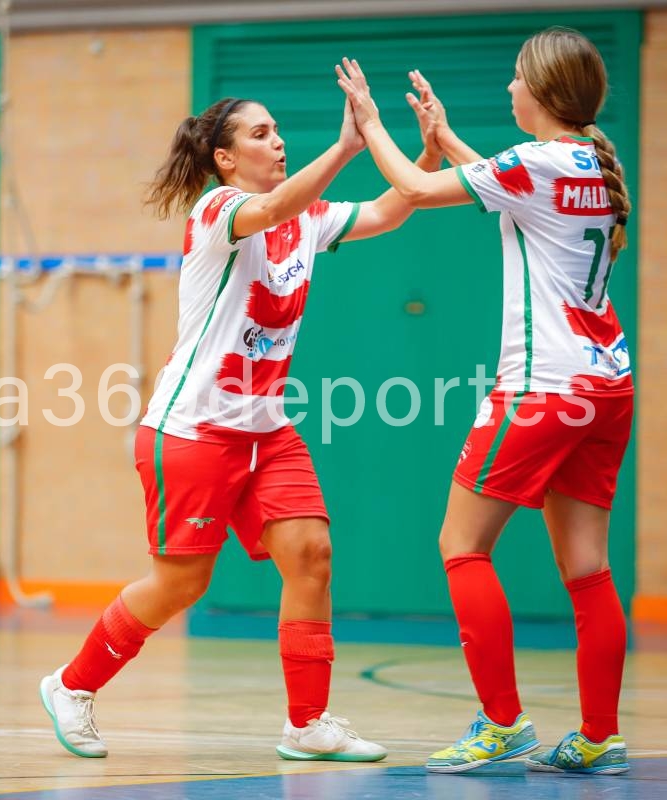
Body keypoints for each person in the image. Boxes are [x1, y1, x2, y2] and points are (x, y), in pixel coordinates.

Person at [38, 92, 442, 762]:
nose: (278, 140)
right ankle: (72, 686)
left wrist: (426, 152)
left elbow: (388, 210)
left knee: (312, 555)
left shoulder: (309, 218)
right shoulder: (218, 210)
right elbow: (275, 207)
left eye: (279, 129)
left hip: (266, 431)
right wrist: (347, 145)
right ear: (225, 158)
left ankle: (307, 724)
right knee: (182, 586)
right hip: (191, 431)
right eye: (262, 133)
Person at [336, 26, 633, 776]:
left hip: (543, 386)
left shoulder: (537, 162)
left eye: (514, 78)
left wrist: (369, 123)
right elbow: (509, 191)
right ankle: (600, 735)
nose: (508, 88)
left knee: (461, 545)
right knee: (588, 568)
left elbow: (414, 189)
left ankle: (502, 722)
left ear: (542, 91)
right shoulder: (592, 162)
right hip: (607, 384)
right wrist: (447, 136)